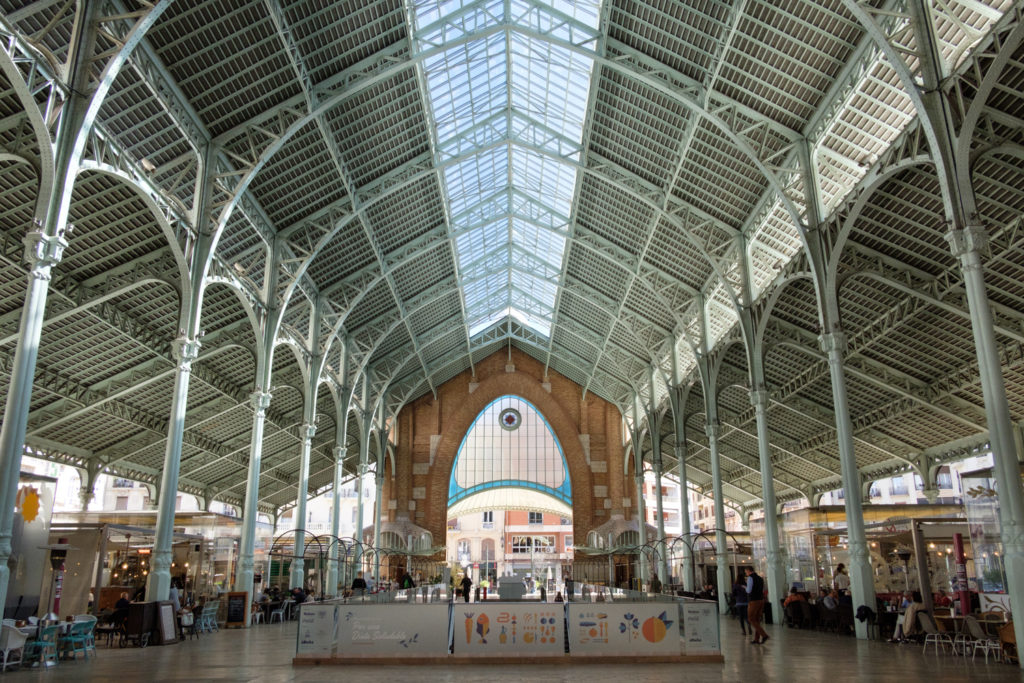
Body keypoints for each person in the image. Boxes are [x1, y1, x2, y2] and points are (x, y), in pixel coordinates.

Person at [745, 566, 769, 645]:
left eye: (746, 572)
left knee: (751, 618)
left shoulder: (750, 578)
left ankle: (764, 635)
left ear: (748, 571)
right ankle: (756, 639)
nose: (746, 573)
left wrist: (744, 588)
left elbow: (749, 590)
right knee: (757, 619)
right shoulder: (760, 578)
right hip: (761, 600)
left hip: (753, 600)